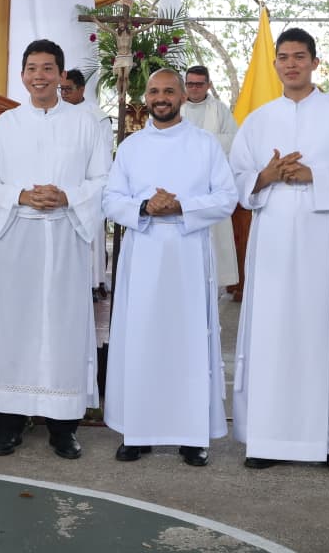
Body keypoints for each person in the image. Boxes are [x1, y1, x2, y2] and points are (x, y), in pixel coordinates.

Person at [230, 27, 329, 476]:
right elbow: (236, 177)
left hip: (322, 239)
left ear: (315, 62)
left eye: (300, 56)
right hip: (273, 237)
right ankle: (266, 436)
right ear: (275, 64)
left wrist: (315, 175)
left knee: (325, 332)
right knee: (271, 332)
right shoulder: (258, 120)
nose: (291, 64)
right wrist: (267, 175)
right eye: (284, 57)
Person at [0, 39, 109, 459]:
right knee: (16, 326)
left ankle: (63, 426)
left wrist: (67, 196)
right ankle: (9, 423)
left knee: (64, 328)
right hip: (18, 237)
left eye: (48, 68)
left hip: (66, 237)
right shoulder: (5, 125)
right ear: (22, 75)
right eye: (32, 68)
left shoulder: (88, 123)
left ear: (61, 76)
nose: (39, 76)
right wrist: (20, 195)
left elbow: (104, 179)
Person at [102, 69, 237, 466]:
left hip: (188, 256)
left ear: (182, 97)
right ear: (146, 97)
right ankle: (137, 430)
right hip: (143, 256)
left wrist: (182, 205)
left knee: (188, 342)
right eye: (155, 91)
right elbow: (110, 199)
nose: (161, 97)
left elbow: (227, 197)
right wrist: (145, 206)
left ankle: (191, 435)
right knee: (140, 339)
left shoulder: (205, 144)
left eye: (169, 91)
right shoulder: (131, 147)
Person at [179, 65, 239, 288]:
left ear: (209, 85)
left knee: (213, 241)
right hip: (181, 184)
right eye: (190, 84)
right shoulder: (176, 106)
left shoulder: (219, 109)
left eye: (199, 84)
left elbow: (234, 138)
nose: (194, 88)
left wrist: (204, 143)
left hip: (210, 184)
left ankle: (213, 287)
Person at [59, 68, 112, 296]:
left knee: (90, 234)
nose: (64, 94)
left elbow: (105, 151)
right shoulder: (55, 113)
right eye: (61, 89)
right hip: (61, 185)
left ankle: (94, 282)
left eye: (68, 89)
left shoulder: (96, 116)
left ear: (82, 89)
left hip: (87, 184)